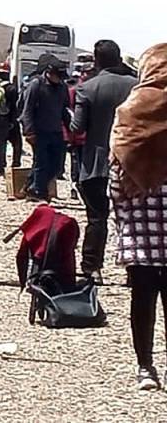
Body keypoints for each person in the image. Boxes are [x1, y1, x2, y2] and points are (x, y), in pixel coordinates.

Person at [109, 43, 167, 391]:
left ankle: (145, 367)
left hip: (139, 221)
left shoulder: (130, 111)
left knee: (142, 296)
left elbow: (116, 175)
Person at [71, 39, 138, 283]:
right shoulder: (136, 87)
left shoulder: (87, 88)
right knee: (131, 217)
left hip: (96, 162)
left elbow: (77, 129)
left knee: (96, 218)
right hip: (130, 162)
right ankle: (134, 268)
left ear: (96, 61)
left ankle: (92, 268)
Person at [21, 54, 70, 201]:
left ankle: (30, 187)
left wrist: (71, 127)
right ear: (49, 72)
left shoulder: (62, 87)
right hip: (39, 130)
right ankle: (38, 192)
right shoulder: (36, 84)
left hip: (56, 131)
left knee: (56, 166)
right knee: (41, 162)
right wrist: (29, 131)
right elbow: (27, 110)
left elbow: (64, 110)